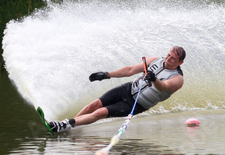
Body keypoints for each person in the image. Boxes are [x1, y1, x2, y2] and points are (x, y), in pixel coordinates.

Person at [47, 46, 186, 133]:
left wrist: (154, 79)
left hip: (137, 104)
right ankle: (69, 126)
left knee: (101, 112)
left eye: (173, 58)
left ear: (180, 62)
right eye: (168, 55)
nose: (168, 59)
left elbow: (164, 88)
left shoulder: (177, 79)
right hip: (127, 89)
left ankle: (64, 124)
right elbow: (130, 70)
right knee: (94, 105)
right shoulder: (155, 60)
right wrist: (107, 75)